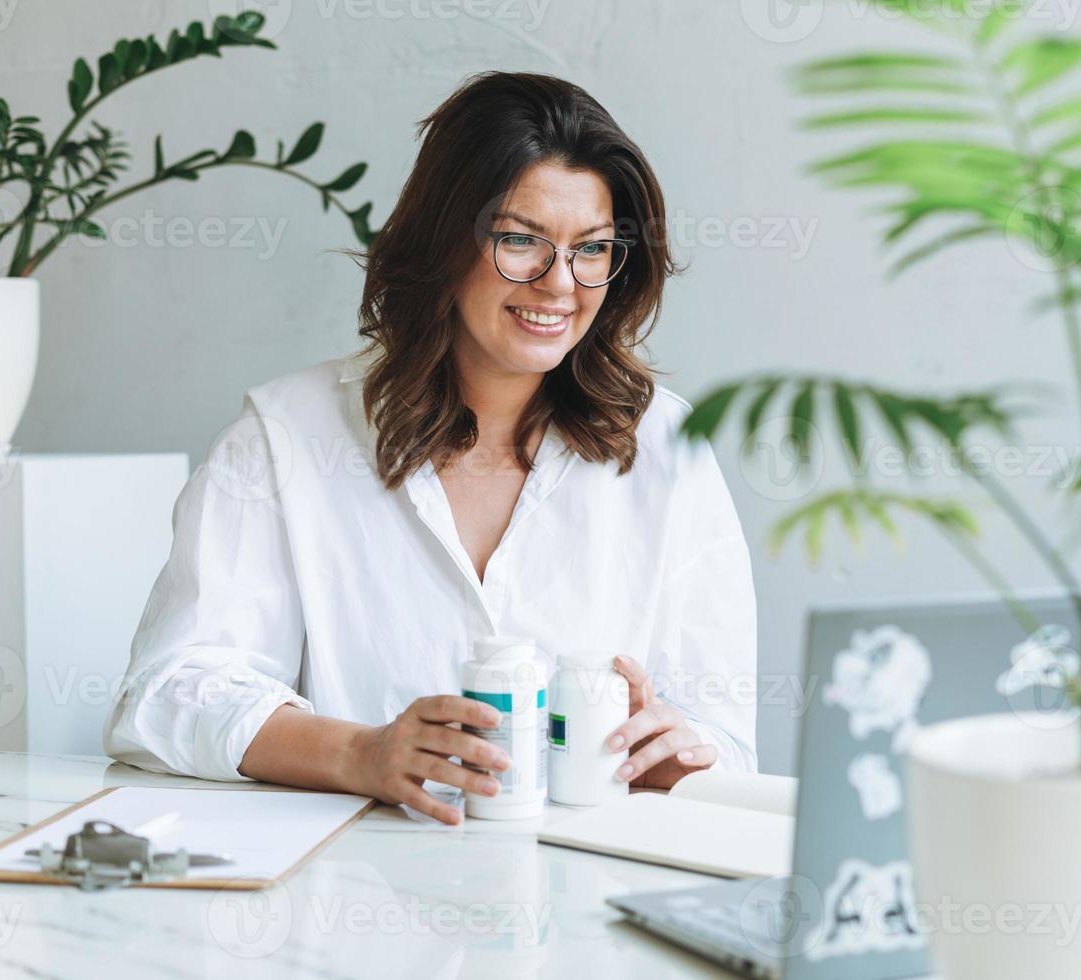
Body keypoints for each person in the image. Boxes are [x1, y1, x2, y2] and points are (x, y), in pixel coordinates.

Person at [103, 71, 757, 825]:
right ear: (445, 238)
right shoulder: (286, 438)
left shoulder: (670, 449)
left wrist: (685, 757)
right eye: (520, 241)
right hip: (355, 902)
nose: (559, 285)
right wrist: (360, 754)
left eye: (593, 249)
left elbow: (731, 745)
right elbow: (165, 695)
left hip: (591, 904)